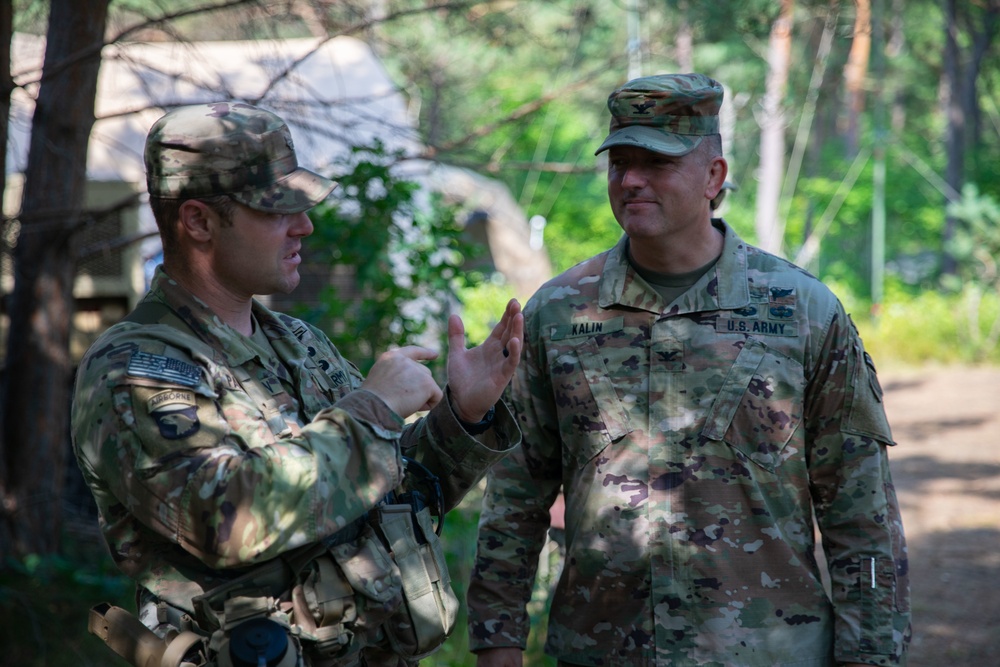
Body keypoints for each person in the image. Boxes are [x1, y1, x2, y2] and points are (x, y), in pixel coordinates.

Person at [467, 74, 910, 667]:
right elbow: (516, 496)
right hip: (604, 651)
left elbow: (860, 512)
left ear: (714, 177)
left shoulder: (802, 310)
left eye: (655, 162)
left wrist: (872, 653)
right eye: (619, 162)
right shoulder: (558, 312)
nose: (629, 180)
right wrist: (497, 642)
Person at [71, 101, 523, 667]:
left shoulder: (298, 342)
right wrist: (372, 410)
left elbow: (384, 495)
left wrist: (460, 418)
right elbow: (223, 520)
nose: (304, 225)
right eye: (276, 210)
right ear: (198, 221)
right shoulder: (135, 366)